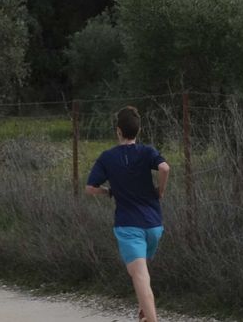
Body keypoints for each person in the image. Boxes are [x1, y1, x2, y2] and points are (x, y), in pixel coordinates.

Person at [85, 105, 171, 322]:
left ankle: (151, 319)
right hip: (154, 225)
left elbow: (90, 188)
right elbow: (165, 168)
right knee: (141, 273)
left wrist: (109, 192)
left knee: (140, 275)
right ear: (138, 130)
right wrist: (160, 190)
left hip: (128, 225)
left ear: (118, 131)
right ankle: (144, 310)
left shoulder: (107, 158)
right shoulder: (148, 151)